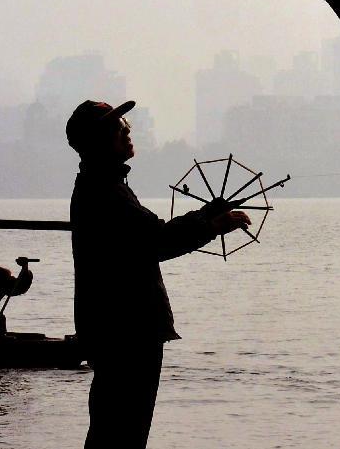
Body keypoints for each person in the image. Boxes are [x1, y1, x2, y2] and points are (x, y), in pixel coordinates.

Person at [66, 99, 250, 449]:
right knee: (122, 431)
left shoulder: (102, 187)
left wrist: (207, 215)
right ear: (100, 140)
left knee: (113, 427)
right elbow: (155, 241)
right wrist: (212, 225)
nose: (127, 130)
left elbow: (149, 234)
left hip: (116, 330)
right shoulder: (105, 192)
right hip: (128, 331)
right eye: (118, 127)